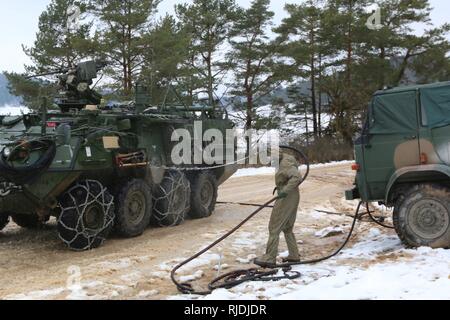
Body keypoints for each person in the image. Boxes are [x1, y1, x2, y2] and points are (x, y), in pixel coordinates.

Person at [254, 152, 302, 268]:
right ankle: (294, 255)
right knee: (287, 227)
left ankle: (269, 258)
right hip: (292, 195)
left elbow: (297, 177)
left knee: (274, 227)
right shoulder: (286, 159)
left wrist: (285, 190)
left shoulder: (285, 163)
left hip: (287, 196)